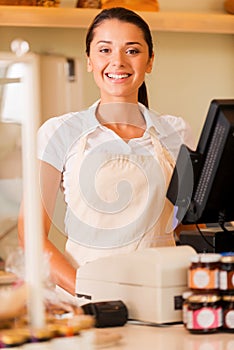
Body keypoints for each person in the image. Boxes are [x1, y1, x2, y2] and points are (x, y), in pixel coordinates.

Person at [18, 7, 194, 296]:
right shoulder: (58, 133)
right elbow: (31, 235)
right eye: (104, 49)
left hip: (161, 299)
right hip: (86, 305)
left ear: (150, 62)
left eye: (132, 51)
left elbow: (189, 227)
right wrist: (87, 293)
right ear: (89, 60)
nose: (118, 61)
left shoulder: (176, 132)